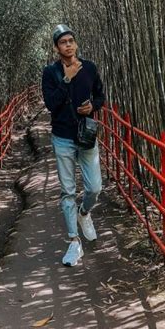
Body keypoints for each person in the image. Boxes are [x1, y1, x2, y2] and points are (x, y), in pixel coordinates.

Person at [41, 24, 105, 267]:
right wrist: (67, 79)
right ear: (57, 48)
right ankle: (73, 242)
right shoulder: (51, 73)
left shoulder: (89, 68)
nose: (68, 44)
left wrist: (93, 107)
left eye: (70, 40)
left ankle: (84, 213)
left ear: (76, 43)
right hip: (63, 137)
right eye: (62, 42)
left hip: (86, 136)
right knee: (67, 191)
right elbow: (51, 104)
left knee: (95, 187)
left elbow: (100, 95)